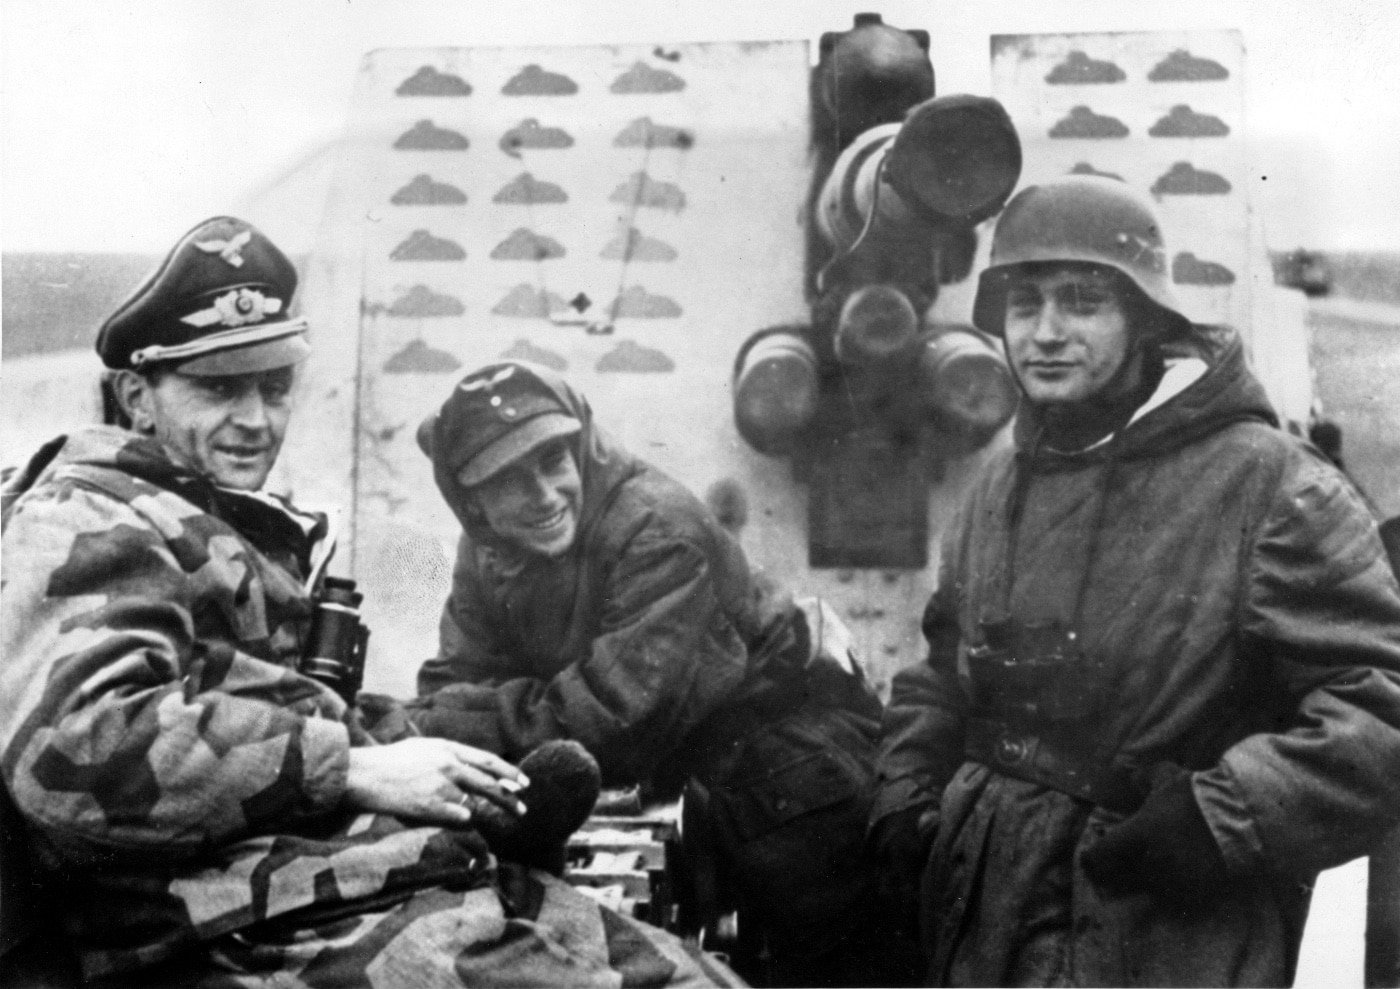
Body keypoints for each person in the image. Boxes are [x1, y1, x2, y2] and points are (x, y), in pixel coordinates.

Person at [0, 216, 739, 989]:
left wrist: (433, 754)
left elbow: (268, 699)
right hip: (244, 924)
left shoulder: (203, 515)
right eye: (218, 388)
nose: (255, 419)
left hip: (346, 884)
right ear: (135, 397)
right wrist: (351, 767)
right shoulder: (89, 518)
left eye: (273, 386)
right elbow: (81, 753)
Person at [868, 175, 1400, 987]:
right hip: (987, 912)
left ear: (1146, 318)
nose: (1047, 332)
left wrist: (1219, 816)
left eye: (1083, 301)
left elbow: (1375, 710)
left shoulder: (1267, 484)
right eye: (1024, 302)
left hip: (1163, 922)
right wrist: (906, 795)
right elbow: (943, 673)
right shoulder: (996, 489)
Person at [402, 360, 917, 987]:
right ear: (471, 499)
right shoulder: (489, 547)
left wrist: (452, 721)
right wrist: (452, 719)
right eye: (507, 480)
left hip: (792, 777)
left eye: (552, 461)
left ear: (581, 448)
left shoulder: (657, 526)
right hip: (678, 781)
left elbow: (615, 716)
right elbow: (452, 681)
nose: (543, 494)